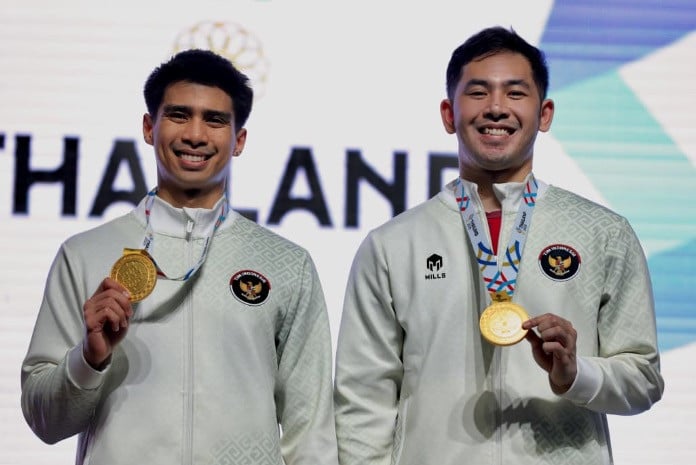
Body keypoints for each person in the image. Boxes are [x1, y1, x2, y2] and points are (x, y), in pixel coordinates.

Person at [333, 26, 664, 465]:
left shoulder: (603, 233)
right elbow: (362, 399)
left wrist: (575, 374)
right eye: (478, 92)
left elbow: (643, 377)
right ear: (449, 113)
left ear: (544, 113)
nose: (495, 107)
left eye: (515, 93)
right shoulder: (393, 244)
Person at [21, 49, 338, 465]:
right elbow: (44, 422)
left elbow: (310, 431)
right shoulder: (84, 254)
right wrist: (89, 358)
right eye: (178, 115)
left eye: (215, 120)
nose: (195, 135)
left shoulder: (286, 264)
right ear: (149, 127)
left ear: (239, 140)